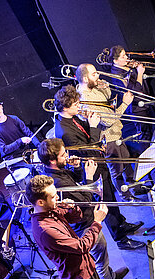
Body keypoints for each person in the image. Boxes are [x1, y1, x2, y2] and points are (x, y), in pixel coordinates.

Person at [25, 174, 122, 279]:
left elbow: (76, 218)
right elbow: (82, 246)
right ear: (40, 202)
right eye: (53, 196)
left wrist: (72, 208)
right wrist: (97, 222)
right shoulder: (45, 230)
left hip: (86, 267)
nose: (57, 198)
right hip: (80, 277)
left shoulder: (49, 210)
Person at [37, 138, 136, 279]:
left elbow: (75, 183)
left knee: (102, 258)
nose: (67, 156)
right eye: (63, 155)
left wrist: (77, 168)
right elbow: (86, 200)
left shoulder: (56, 171)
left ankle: (111, 276)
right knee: (100, 261)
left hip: (86, 220)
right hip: (85, 225)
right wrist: (89, 176)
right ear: (52, 161)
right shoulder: (57, 182)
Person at [53, 85, 145, 251]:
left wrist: (87, 121)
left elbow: (85, 135)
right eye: (75, 104)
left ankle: (122, 223)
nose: (79, 106)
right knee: (105, 203)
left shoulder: (70, 118)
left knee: (112, 197)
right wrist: (94, 126)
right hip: (91, 169)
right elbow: (89, 150)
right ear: (65, 108)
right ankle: (121, 239)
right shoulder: (64, 131)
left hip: (99, 163)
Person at [75, 63, 142, 201]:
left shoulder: (92, 87)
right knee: (117, 170)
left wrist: (105, 88)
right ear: (86, 79)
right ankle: (126, 196)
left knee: (127, 161)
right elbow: (109, 120)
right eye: (94, 74)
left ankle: (134, 186)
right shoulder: (85, 100)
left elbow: (108, 99)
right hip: (108, 139)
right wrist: (125, 104)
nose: (98, 75)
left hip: (116, 132)